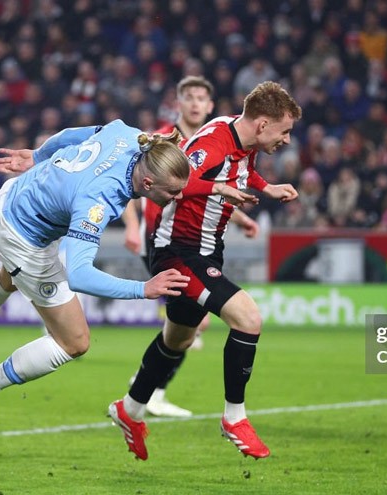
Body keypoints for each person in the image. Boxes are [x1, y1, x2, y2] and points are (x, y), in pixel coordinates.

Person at [0, 119, 197, 443]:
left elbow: (73, 135)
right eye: (172, 191)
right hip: (24, 237)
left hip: (17, 193)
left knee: (10, 276)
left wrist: (38, 155)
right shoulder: (98, 200)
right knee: (74, 341)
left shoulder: (130, 135)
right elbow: (79, 275)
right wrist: (142, 289)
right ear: (147, 181)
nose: (179, 195)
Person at [109, 81, 301, 461]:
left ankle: (129, 410)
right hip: (178, 251)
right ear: (262, 124)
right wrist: (221, 191)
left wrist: (267, 187)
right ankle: (234, 417)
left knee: (177, 339)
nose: (288, 140)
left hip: (208, 252)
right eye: (285, 131)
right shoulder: (214, 140)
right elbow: (176, 181)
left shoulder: (244, 141)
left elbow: (241, 174)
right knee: (248, 318)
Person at [122, 76, 260, 418]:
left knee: (184, 327)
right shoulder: (164, 139)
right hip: (164, 240)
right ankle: (151, 391)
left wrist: (240, 219)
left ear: (210, 106)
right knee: (191, 324)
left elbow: (214, 193)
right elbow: (132, 181)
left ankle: (143, 391)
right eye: (190, 97)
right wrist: (131, 227)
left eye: (202, 98)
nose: (196, 104)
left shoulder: (218, 138)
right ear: (178, 103)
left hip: (195, 241)